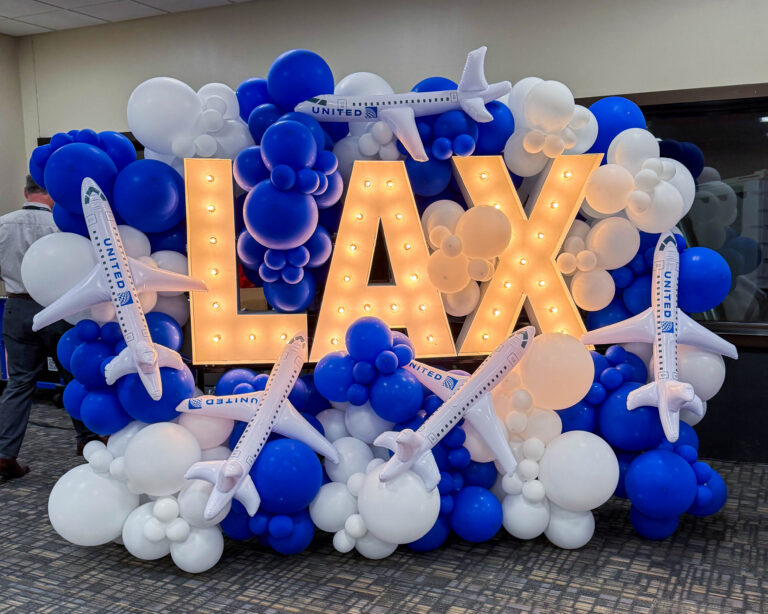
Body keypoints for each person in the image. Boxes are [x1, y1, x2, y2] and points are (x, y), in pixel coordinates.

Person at [0, 175, 98, 480]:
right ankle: (88, 441)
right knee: (74, 376)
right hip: (59, 307)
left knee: (19, 383)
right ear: (50, 194)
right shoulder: (63, 226)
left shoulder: (2, 224)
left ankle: (4, 454)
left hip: (16, 307)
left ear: (25, 191)